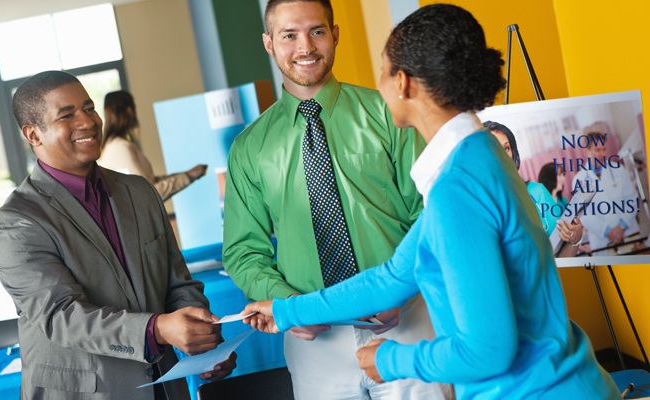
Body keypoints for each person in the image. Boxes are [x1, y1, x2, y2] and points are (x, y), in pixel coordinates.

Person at [241, 4, 621, 399]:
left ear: (402, 83)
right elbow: (392, 276)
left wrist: (392, 360)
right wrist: (287, 311)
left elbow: (487, 351)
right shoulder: (478, 157)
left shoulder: (457, 187)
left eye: (384, 70)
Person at [222, 1, 450, 399]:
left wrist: (400, 289)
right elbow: (244, 252)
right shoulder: (249, 148)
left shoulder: (388, 112)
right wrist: (289, 306)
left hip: (403, 323)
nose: (305, 47)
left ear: (336, 34)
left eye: (317, 31)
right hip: (314, 344)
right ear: (269, 44)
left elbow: (430, 213)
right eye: (289, 35)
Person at [0, 71, 236, 400]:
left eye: (89, 108)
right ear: (33, 134)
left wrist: (201, 344)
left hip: (165, 384)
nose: (87, 121)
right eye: (67, 114)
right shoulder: (16, 221)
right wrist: (159, 329)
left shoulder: (139, 192)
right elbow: (62, 316)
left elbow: (177, 282)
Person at [485, 121, 582, 257]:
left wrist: (574, 239)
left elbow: (561, 257)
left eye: (506, 148)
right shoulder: (477, 202)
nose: (503, 154)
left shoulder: (537, 192)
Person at [98, 90, 207, 201]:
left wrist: (187, 174)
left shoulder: (115, 145)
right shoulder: (120, 147)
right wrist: (188, 176)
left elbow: (149, 182)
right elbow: (147, 192)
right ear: (129, 110)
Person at [570, 132, 639, 255]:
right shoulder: (579, 179)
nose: (602, 154)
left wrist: (621, 226)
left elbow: (632, 199)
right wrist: (608, 231)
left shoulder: (618, 169)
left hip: (628, 234)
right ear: (587, 151)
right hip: (602, 243)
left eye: (604, 149)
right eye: (597, 150)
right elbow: (583, 215)